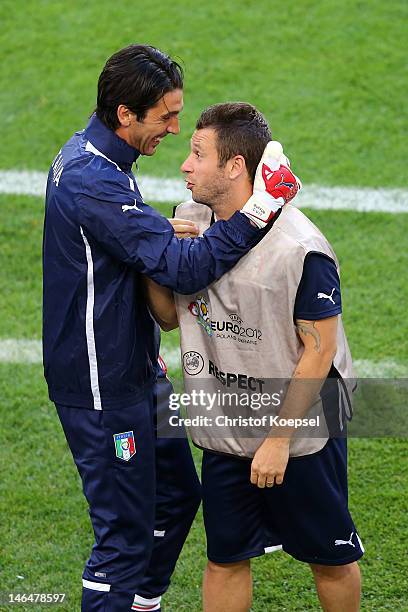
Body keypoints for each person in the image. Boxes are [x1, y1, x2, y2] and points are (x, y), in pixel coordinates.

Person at [42, 44, 299, 612]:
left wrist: (154, 236)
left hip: (137, 370)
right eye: (166, 116)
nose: (176, 129)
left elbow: (139, 257)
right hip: (101, 384)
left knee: (178, 497)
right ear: (125, 114)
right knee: (123, 541)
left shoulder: (102, 162)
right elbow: (183, 269)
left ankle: (140, 603)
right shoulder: (93, 180)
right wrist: (259, 212)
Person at [145, 102, 364, 612]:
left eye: (198, 154)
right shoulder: (189, 220)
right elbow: (169, 317)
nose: (185, 165)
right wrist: (151, 259)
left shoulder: (301, 249)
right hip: (227, 424)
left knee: (329, 557)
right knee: (224, 556)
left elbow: (320, 350)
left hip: (304, 432)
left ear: (235, 167)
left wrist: (279, 442)